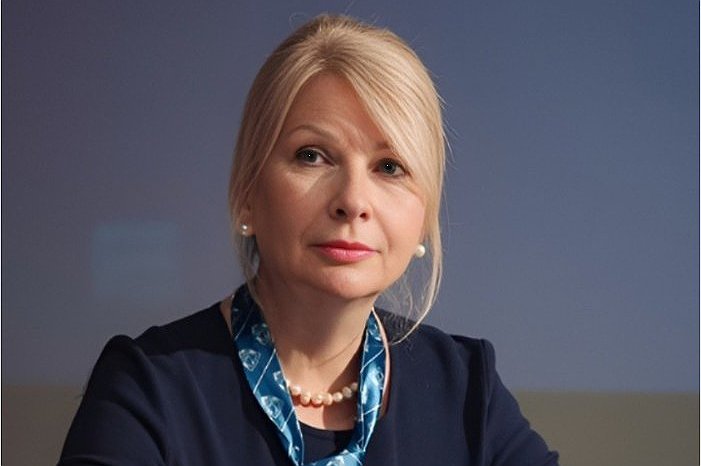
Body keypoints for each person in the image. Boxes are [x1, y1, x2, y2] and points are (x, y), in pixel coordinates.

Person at [59, 14, 559, 466]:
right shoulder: (149, 386)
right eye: (312, 156)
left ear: (424, 217)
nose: (353, 201)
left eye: (389, 167)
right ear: (247, 193)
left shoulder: (468, 391)